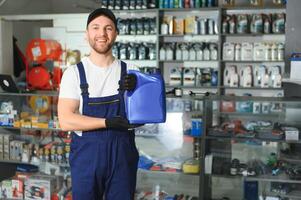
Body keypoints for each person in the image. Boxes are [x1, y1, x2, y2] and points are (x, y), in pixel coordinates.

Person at [58, 8, 140, 200]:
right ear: (87, 34)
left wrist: (140, 88)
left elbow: (147, 118)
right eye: (95, 28)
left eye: (108, 28)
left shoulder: (132, 71)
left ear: (116, 34)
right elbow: (66, 120)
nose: (102, 34)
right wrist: (107, 122)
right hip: (87, 158)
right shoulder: (74, 73)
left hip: (122, 156)